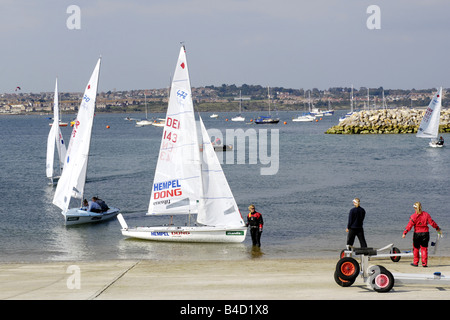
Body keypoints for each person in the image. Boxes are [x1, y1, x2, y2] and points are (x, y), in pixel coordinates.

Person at [402, 202, 441, 267]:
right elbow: (432, 223)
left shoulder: (413, 216)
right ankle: (424, 263)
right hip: (425, 234)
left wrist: (404, 233)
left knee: (416, 248)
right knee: (424, 249)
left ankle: (415, 262)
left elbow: (409, 225)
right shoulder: (426, 215)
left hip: (417, 234)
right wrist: (437, 228)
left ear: (415, 208)